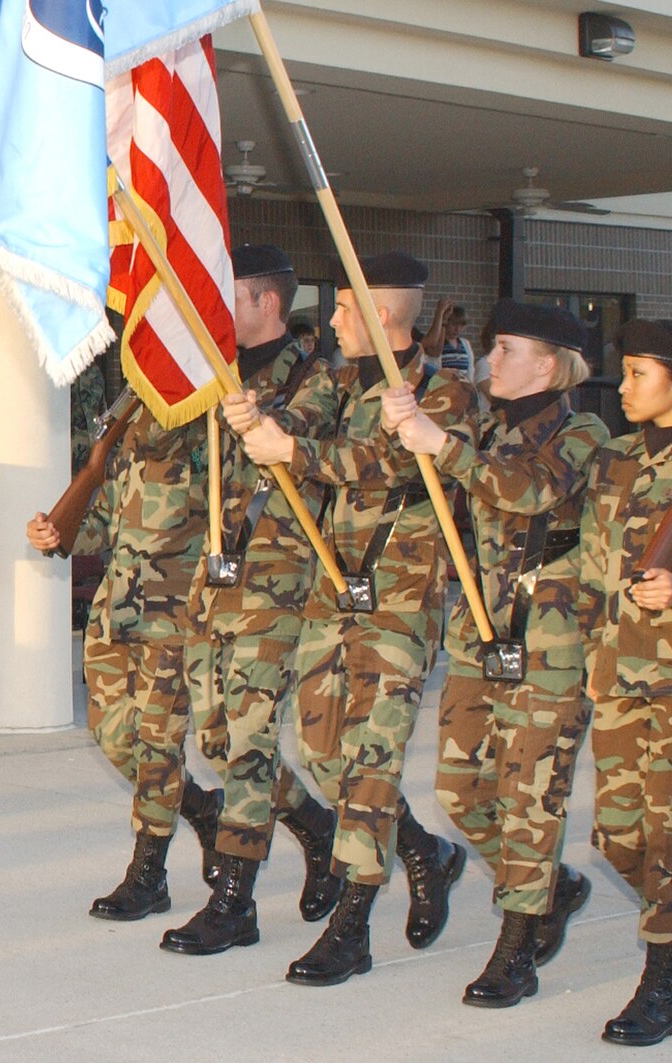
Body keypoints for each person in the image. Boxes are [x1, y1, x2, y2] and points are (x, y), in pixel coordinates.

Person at [224, 251, 479, 986]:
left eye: (343, 309)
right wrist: (257, 416)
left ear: (384, 315)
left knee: (372, 758)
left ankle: (352, 925)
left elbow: (384, 461)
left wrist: (293, 449)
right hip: (332, 591)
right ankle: (422, 849)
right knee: (324, 748)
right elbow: (293, 421)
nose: (332, 320)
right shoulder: (333, 381)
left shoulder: (443, 393)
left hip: (400, 602)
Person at [383, 299, 606, 1007]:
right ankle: (550, 885)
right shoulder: (480, 420)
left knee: (530, 798)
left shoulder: (584, 432)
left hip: (549, 643)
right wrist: (405, 418)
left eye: (506, 349)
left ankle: (517, 947)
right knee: (459, 786)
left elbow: (530, 493)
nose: (490, 360)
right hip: (483, 635)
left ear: (549, 363)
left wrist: (440, 444)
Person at [160, 245, 341, 957]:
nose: (215, 307)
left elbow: (287, 441)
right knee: (213, 735)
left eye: (227, 293)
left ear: (267, 301)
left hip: (278, 580)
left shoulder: (313, 377)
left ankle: (234, 899)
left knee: (249, 738)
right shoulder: (218, 379)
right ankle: (318, 829)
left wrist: (249, 415)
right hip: (218, 577)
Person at [27, 393, 225, 923]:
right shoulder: (127, 430)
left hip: (175, 615)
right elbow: (108, 522)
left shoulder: (210, 432)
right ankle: (203, 809)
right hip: (117, 610)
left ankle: (148, 874)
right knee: (115, 738)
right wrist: (57, 533)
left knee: (160, 746)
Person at [576, 319, 672, 1047]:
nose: (621, 388)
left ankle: (661, 987)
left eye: (638, 375)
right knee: (618, 833)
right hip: (619, 670)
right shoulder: (614, 457)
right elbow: (595, 565)